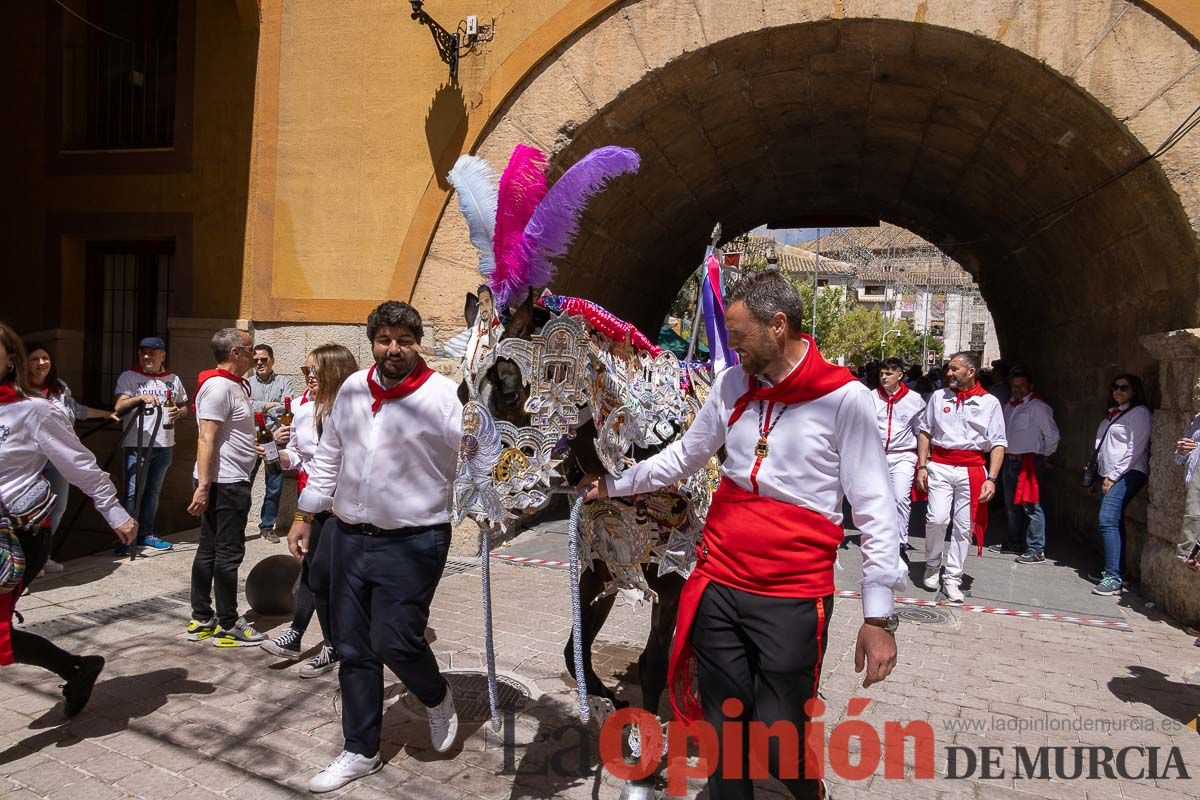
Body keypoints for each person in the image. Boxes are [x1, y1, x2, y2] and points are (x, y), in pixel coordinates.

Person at [586, 272, 905, 800]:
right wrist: (614, 484)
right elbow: (685, 457)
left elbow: (876, 508)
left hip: (791, 594)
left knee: (780, 739)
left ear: (779, 326)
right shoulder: (733, 384)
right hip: (720, 581)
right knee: (724, 727)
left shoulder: (845, 399)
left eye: (739, 336)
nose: (731, 349)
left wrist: (877, 616)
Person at [292, 301, 463, 793]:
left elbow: (476, 458)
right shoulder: (350, 388)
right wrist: (307, 513)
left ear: (418, 343)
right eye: (385, 339)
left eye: (404, 340)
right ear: (373, 342)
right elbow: (330, 455)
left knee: (395, 639)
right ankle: (360, 750)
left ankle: (435, 694)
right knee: (352, 647)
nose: (394, 349)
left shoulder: (444, 396)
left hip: (414, 539)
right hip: (347, 535)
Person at [0, 324, 137, 715]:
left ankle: (76, 667)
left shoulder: (35, 410)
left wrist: (113, 510)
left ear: (11, 360)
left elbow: (79, 464)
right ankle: (77, 667)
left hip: (18, 536)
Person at [261, 343, 357, 678]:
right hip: (313, 504)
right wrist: (274, 451)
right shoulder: (302, 409)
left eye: (312, 371)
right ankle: (309, 639)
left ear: (333, 371)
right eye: (305, 371)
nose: (308, 378)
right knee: (316, 572)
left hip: (344, 508)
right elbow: (297, 456)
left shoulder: (352, 410)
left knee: (327, 576)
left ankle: (325, 642)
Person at [186, 328, 265, 647]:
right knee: (227, 553)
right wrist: (203, 486)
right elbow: (206, 437)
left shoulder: (232, 386)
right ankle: (228, 623)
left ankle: (202, 617)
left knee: (210, 548)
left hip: (227, 478)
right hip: (225, 482)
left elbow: (228, 434)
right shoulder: (219, 388)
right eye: (250, 349)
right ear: (235, 353)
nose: (255, 355)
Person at [916, 351, 1007, 604]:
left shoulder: (990, 403)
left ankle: (953, 577)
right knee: (936, 518)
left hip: (972, 468)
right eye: (948, 368)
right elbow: (925, 432)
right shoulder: (938, 397)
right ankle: (933, 564)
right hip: (942, 465)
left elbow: (998, 442)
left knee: (964, 527)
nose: (949, 373)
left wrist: (992, 478)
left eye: (955, 369)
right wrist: (922, 466)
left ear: (971, 371)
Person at [25, 342, 114, 573]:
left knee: (57, 509)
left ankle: (41, 556)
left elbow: (75, 410)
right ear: (24, 364)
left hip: (58, 459)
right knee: (26, 511)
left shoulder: (60, 388)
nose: (41, 363)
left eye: (44, 358)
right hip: (29, 461)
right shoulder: (18, 390)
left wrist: (106, 413)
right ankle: (21, 566)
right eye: (34, 359)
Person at [113, 336, 189, 554]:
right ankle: (126, 539)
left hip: (165, 444)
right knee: (132, 492)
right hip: (137, 444)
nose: (147, 357)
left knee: (153, 491)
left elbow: (185, 406)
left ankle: (146, 534)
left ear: (162, 355)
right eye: (143, 352)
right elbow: (118, 406)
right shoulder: (129, 377)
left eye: (152, 353)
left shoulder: (172, 379)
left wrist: (180, 412)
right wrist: (139, 399)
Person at [1090, 374, 1151, 597]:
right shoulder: (1112, 414)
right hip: (1107, 473)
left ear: (1134, 391)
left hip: (1127, 473)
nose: (1118, 391)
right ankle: (1117, 571)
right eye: (1114, 387)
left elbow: (1136, 448)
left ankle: (1113, 576)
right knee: (1113, 520)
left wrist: (1114, 476)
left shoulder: (1139, 413)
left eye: (1124, 388)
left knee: (1107, 519)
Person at [992, 368, 1059, 563]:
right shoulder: (1009, 406)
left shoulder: (1038, 407)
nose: (1017, 390)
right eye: (1014, 386)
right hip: (1009, 459)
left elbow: (1052, 434)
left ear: (1031, 387)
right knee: (1011, 504)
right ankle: (1014, 542)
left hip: (1029, 461)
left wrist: (1045, 455)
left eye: (1021, 386)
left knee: (1032, 505)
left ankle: (1036, 548)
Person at [872, 357, 926, 559]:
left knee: (901, 497)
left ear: (900, 375)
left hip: (903, 455)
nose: (883, 377)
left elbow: (921, 432)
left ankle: (901, 541)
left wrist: (923, 463)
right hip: (876, 456)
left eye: (888, 373)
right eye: (881, 373)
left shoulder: (914, 400)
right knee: (876, 498)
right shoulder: (871, 397)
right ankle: (879, 538)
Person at [249, 344, 295, 543]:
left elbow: (288, 407)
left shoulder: (284, 382)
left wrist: (258, 408)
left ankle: (267, 526)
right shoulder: (247, 383)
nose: (259, 363)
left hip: (275, 440)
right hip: (252, 440)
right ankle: (236, 523)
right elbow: (245, 406)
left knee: (274, 485)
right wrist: (268, 406)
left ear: (272, 360)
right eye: (256, 360)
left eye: (264, 359)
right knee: (244, 483)